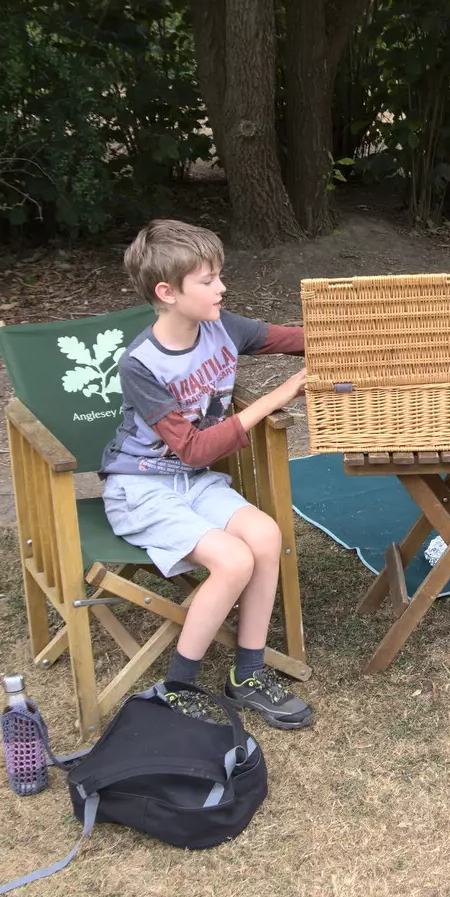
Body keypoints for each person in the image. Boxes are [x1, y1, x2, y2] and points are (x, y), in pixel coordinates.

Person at [100, 219, 315, 729]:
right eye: (207, 280)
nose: (221, 287)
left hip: (193, 484)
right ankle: (178, 686)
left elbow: (293, 340)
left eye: (219, 275)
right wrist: (280, 395)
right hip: (143, 488)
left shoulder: (222, 327)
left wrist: (355, 337)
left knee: (265, 536)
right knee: (234, 560)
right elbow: (194, 449)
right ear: (166, 292)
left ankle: (248, 673)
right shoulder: (141, 365)